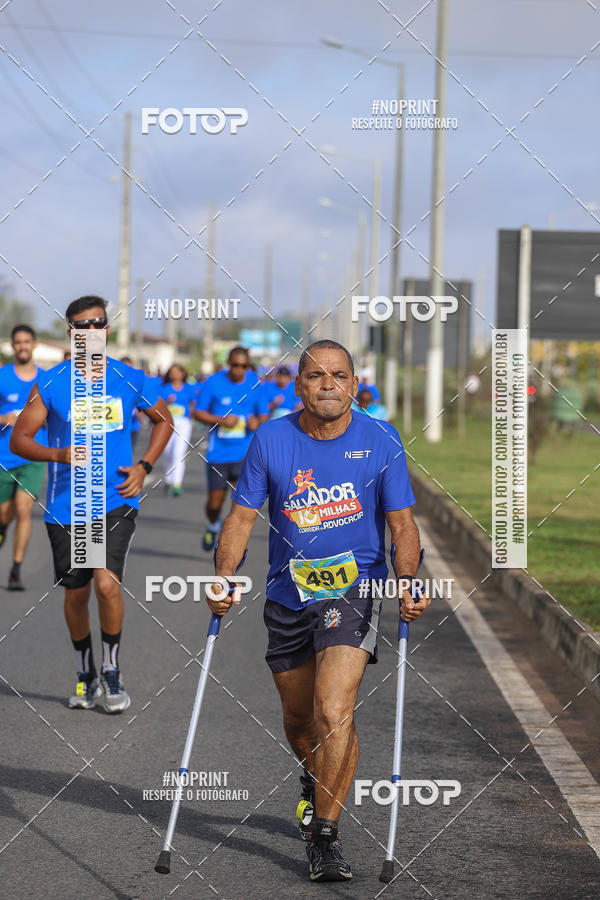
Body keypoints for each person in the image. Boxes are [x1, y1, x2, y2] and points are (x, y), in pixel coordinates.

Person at [207, 339, 430, 882]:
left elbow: (401, 523)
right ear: (299, 384)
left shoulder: (380, 440)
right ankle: (313, 777)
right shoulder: (272, 438)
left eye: (339, 375)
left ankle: (326, 837)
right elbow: (240, 517)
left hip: (353, 588)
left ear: (354, 384)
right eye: (315, 375)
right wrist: (223, 577)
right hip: (287, 593)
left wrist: (408, 582)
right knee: (300, 719)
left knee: (334, 711)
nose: (327, 383)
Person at [11, 295, 173, 713]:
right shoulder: (51, 382)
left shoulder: (127, 377)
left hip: (112, 501)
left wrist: (144, 465)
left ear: (106, 329)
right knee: (78, 593)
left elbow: (164, 420)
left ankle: (112, 670)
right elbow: (19, 440)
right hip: (68, 506)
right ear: (71, 333)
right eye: (81, 326)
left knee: (106, 583)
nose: (90, 332)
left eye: (97, 323)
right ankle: (86, 673)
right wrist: (58, 455)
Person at [193, 346, 269, 552]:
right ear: (229, 364)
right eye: (235, 365)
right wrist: (220, 420)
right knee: (214, 505)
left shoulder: (255, 383)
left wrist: (257, 422)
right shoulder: (214, 382)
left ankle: (234, 543)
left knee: (241, 505)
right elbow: (198, 413)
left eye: (244, 366)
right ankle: (212, 524)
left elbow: (263, 415)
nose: (239, 370)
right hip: (219, 454)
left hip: (246, 454)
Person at [0, 324, 48, 590]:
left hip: (33, 455)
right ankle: (3, 527)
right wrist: (3, 418)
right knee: (4, 515)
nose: (22, 346)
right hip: (4, 456)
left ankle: (16, 569)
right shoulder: (2, 377)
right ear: (12, 346)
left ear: (34, 344)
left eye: (26, 341)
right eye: (17, 342)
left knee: (23, 509)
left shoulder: (46, 379)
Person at [159, 364, 197, 496]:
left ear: (183, 374)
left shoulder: (188, 389)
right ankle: (168, 480)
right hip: (167, 423)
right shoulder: (164, 389)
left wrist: (193, 416)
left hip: (183, 423)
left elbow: (193, 404)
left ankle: (177, 484)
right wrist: (167, 403)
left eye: (177, 372)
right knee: (168, 452)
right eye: (172, 372)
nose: (174, 375)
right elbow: (158, 407)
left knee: (178, 453)